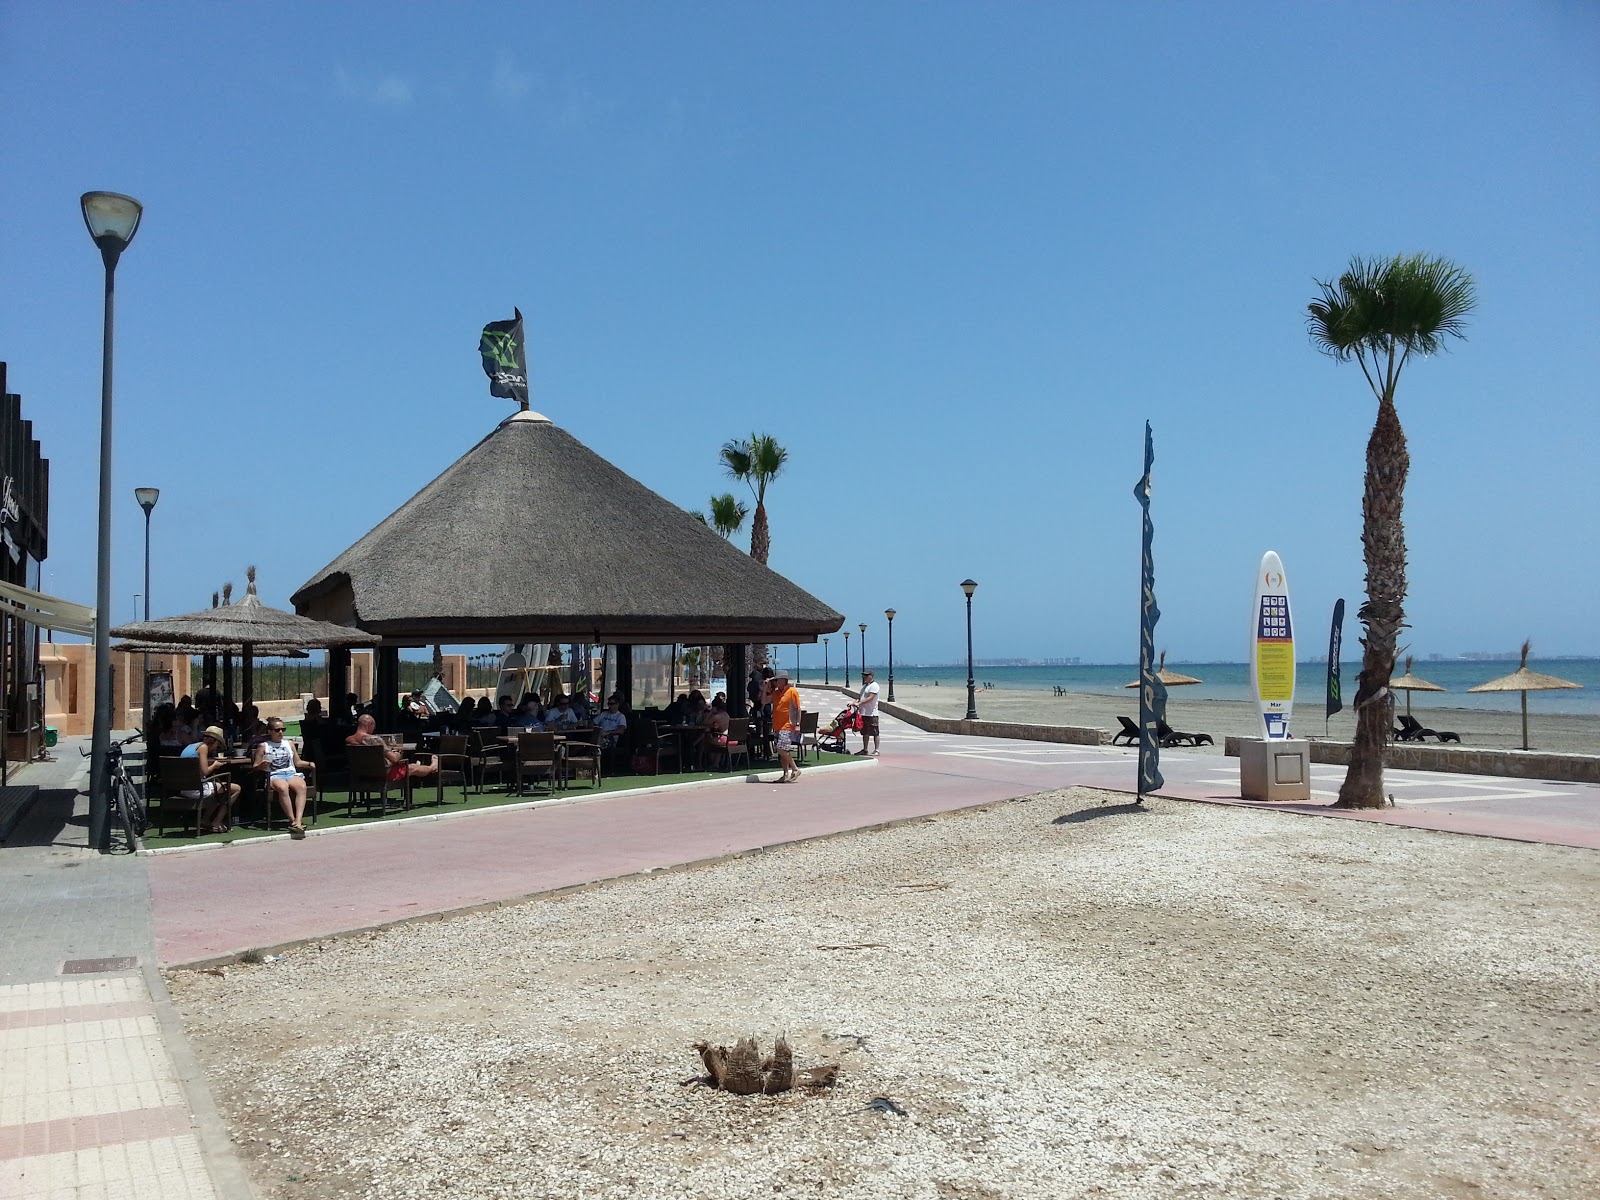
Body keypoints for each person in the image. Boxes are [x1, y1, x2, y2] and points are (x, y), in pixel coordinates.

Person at [254, 718, 314, 838]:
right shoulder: (264, 746)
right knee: (283, 787)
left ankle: (298, 820)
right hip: (274, 774)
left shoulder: (289, 744)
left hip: (290, 773)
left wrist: (308, 763)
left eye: (283, 729)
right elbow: (255, 766)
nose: (280, 732)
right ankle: (292, 821)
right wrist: (262, 765)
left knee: (301, 786)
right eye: (277, 730)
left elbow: (297, 762)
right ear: (270, 731)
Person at [181, 726, 241, 834]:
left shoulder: (192, 746)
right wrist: (214, 765)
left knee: (218, 790)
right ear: (215, 741)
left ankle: (205, 820)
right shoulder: (203, 747)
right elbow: (205, 772)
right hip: (195, 789)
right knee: (236, 788)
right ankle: (217, 821)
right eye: (218, 744)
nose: (217, 747)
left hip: (183, 787)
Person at [345, 714, 438, 784]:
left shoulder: (349, 740)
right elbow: (394, 759)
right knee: (413, 767)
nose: (374, 729)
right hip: (382, 775)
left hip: (361, 775)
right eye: (374, 726)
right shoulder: (375, 740)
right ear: (370, 724)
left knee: (408, 766)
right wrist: (397, 752)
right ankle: (432, 767)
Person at [765, 672, 802, 783]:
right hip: (777, 725)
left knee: (781, 749)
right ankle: (785, 774)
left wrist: (797, 725)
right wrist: (765, 688)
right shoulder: (776, 693)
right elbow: (764, 701)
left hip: (788, 725)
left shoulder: (792, 692)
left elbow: (798, 709)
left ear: (783, 680)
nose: (775, 682)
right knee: (782, 751)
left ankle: (795, 768)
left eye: (777, 680)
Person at [855, 669, 882, 756]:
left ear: (871, 676)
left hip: (872, 713)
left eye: (866, 675)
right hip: (863, 713)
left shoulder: (874, 686)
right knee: (865, 732)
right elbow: (861, 697)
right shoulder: (864, 686)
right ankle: (865, 749)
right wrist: (854, 702)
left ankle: (876, 750)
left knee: (875, 732)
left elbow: (870, 698)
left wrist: (859, 703)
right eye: (864, 675)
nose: (865, 677)